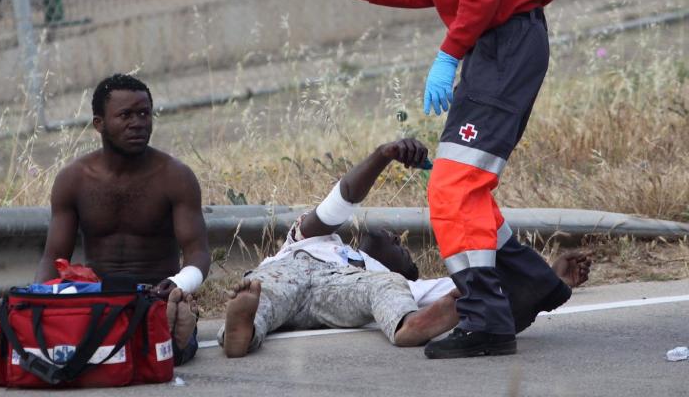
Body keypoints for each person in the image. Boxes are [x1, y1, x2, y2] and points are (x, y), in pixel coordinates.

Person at [289, 0, 568, 358]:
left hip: (503, 44)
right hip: (501, 42)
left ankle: (488, 318)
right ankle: (528, 280)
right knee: (465, 184)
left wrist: (449, 54)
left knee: (452, 186)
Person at [0, 73, 211, 370]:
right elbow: (54, 256)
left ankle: (175, 334)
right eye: (125, 115)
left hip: (155, 295)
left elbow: (198, 252)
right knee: (49, 341)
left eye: (144, 113)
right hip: (95, 302)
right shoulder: (74, 180)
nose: (138, 123)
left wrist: (178, 283)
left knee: (153, 336)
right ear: (99, 124)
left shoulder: (175, 176)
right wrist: (36, 305)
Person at [220, 139, 593, 358]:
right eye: (401, 243)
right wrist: (384, 154)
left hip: (349, 291)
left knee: (397, 290)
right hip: (288, 271)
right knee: (262, 289)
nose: (399, 240)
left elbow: (482, 290)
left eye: (404, 253)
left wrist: (547, 279)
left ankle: (409, 327)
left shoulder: (393, 280)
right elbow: (343, 198)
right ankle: (243, 330)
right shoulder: (314, 238)